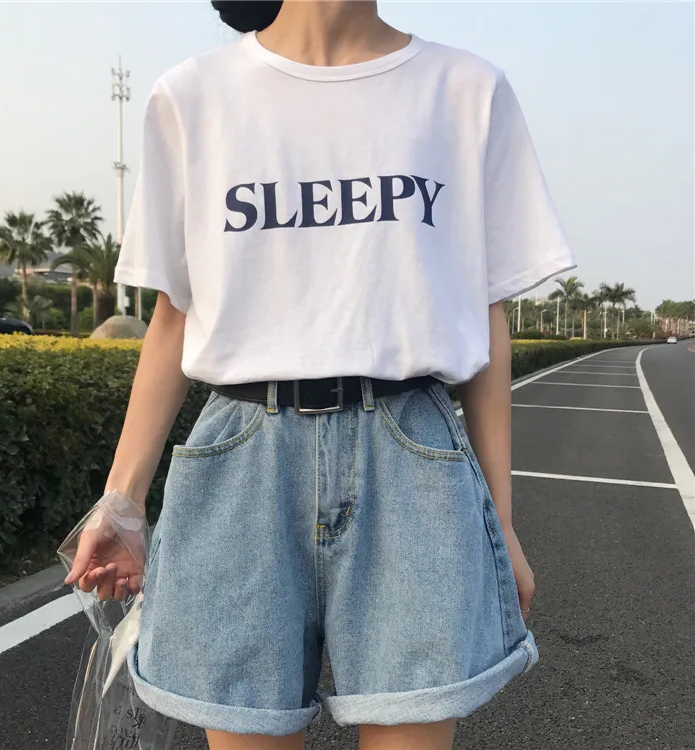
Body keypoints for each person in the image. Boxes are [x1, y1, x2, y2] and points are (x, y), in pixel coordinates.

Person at [64, 1, 575, 748]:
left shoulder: (466, 91)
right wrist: (122, 501)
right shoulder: (193, 96)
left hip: (413, 461)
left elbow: (486, 309)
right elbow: (175, 315)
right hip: (241, 460)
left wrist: (499, 522)